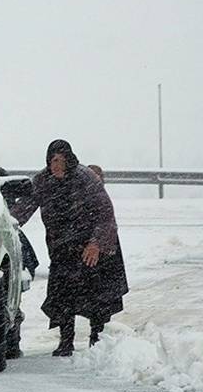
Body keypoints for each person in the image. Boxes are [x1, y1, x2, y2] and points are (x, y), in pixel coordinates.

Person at [14, 140, 128, 356]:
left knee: (96, 295)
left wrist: (96, 244)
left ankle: (96, 338)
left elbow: (105, 214)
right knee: (63, 295)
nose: (55, 165)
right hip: (62, 247)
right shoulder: (42, 181)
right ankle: (66, 340)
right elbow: (24, 208)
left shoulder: (85, 179)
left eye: (60, 160)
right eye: (52, 160)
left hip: (90, 245)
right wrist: (7, 223)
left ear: (69, 160)